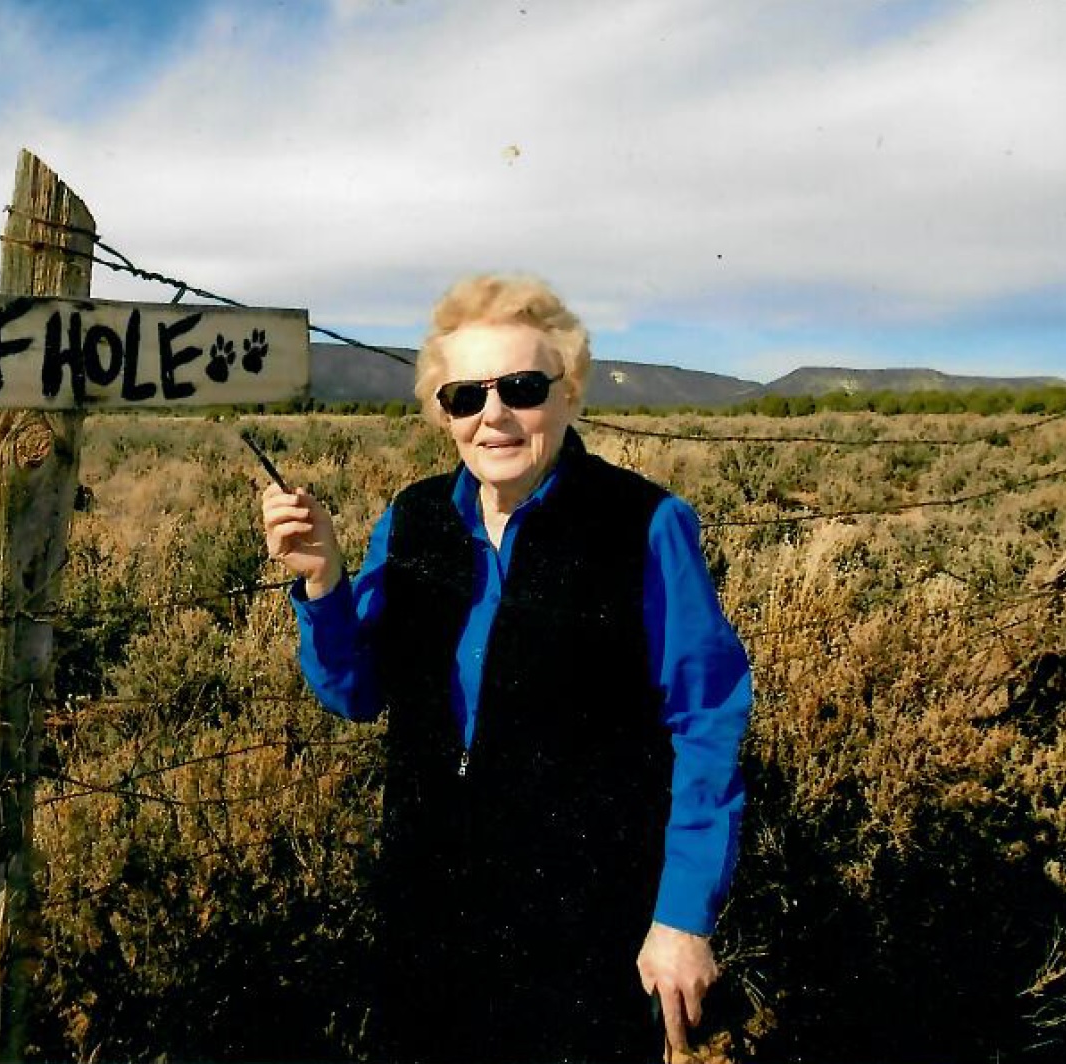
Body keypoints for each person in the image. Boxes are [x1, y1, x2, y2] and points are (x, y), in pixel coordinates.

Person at [260, 275, 751, 1063]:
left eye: (521, 388)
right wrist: (321, 581)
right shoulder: (414, 519)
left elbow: (706, 720)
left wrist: (681, 919)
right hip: (429, 904)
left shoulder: (643, 525)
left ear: (567, 394)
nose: (493, 416)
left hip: (586, 914)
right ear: (440, 410)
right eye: (464, 396)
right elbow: (355, 693)